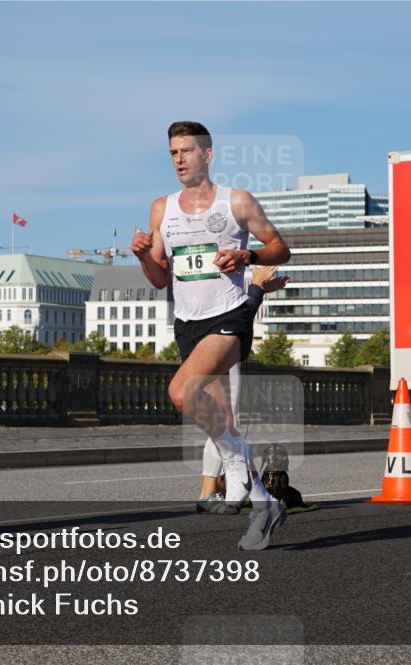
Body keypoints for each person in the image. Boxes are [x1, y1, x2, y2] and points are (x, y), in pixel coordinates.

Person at [132, 121, 291, 550]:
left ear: (208, 154)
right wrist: (146, 255)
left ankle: (238, 462)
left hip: (231, 315)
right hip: (188, 322)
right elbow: (159, 279)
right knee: (224, 428)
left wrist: (246, 254)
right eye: (172, 153)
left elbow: (280, 248)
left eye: (186, 151)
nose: (179, 159)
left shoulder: (236, 201)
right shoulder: (162, 209)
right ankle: (265, 508)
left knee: (182, 392)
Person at [197, 264, 289, 515]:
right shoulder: (219, 279)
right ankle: (210, 491)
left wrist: (258, 290)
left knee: (224, 424)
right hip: (222, 348)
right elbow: (235, 317)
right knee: (226, 423)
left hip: (207, 345)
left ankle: (233, 489)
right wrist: (257, 287)